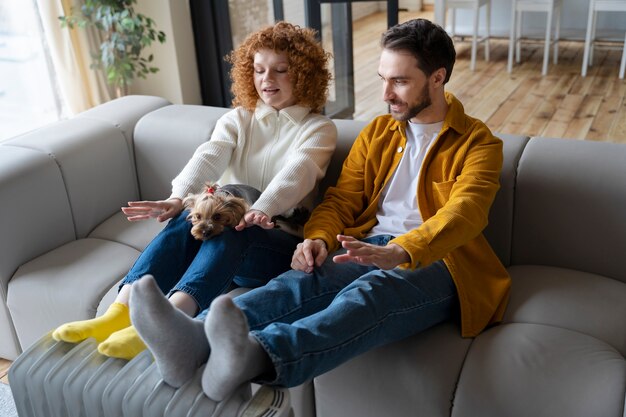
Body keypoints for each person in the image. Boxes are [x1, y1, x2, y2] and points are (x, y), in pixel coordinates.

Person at [129, 17, 511, 401]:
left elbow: (465, 212)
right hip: (366, 244)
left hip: (441, 261)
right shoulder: (378, 133)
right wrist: (317, 238)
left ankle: (258, 357)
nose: (385, 94)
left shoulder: (479, 144)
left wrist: (402, 250)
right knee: (296, 285)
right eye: (382, 79)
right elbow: (342, 199)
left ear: (438, 78)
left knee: (369, 295)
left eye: (399, 81)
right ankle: (194, 337)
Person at [50, 22, 337, 369]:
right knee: (187, 217)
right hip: (226, 244)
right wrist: (178, 197)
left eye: (280, 70)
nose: (267, 79)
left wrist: (261, 209)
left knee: (232, 227)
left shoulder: (319, 129)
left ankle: (168, 324)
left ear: (304, 75)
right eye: (259, 70)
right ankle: (119, 312)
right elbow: (210, 153)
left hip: (273, 247)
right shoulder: (238, 119)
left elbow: (299, 172)